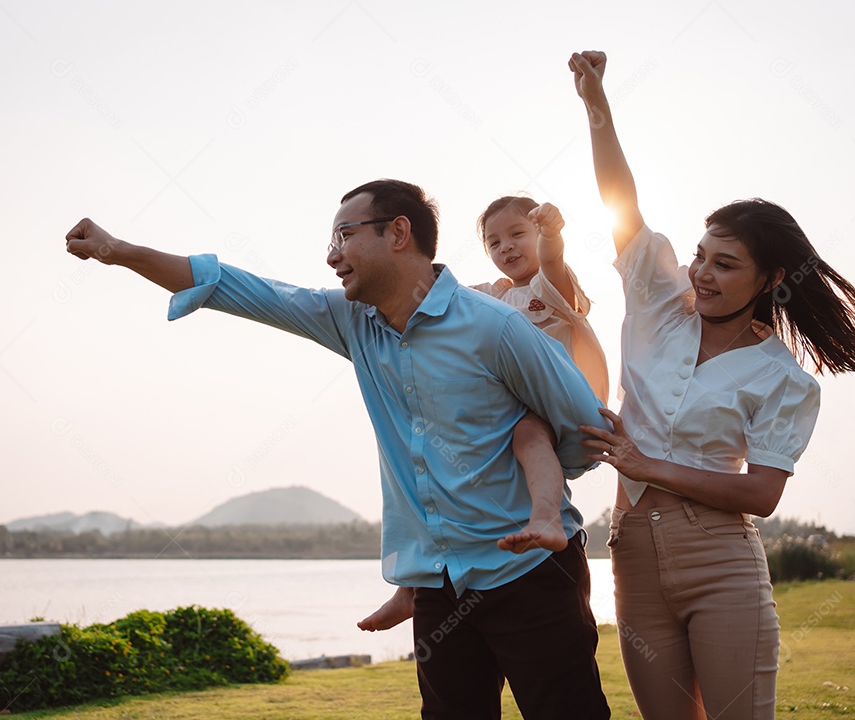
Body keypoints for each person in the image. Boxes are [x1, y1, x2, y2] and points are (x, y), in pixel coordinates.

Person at [64, 179, 613, 719]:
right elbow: (235, 286)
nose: (332, 256)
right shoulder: (353, 323)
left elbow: (586, 431)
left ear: (398, 233)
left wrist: (530, 464)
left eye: (344, 236)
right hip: (439, 582)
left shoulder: (496, 326)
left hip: (530, 572)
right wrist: (120, 251)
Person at [569, 50, 855, 720]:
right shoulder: (655, 299)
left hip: (720, 561)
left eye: (725, 264)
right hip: (631, 556)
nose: (702, 272)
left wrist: (648, 464)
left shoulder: (783, 379)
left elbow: (762, 493)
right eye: (701, 255)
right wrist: (595, 99)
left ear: (768, 280)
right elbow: (620, 197)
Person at [358, 197, 610, 634]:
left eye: (518, 235)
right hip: (505, 401)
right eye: (494, 242)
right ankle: (411, 586)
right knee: (419, 458)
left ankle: (547, 516)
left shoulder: (549, 287)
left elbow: (553, 262)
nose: (506, 247)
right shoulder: (491, 293)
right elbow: (437, 298)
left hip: (553, 402)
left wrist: (551, 235)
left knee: (530, 436)